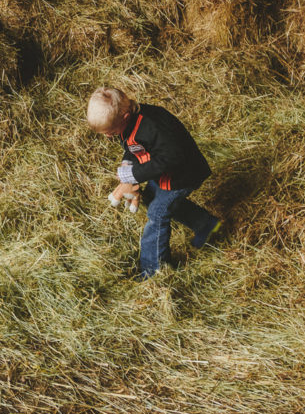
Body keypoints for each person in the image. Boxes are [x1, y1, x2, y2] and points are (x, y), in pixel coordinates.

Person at [86, 87, 221, 280]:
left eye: (111, 132)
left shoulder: (152, 125)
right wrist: (127, 163)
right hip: (165, 173)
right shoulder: (130, 122)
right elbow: (132, 146)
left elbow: (172, 156)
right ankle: (207, 225)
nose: (108, 136)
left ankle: (153, 271)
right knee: (152, 198)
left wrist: (134, 174)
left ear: (124, 117)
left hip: (182, 174)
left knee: (157, 213)